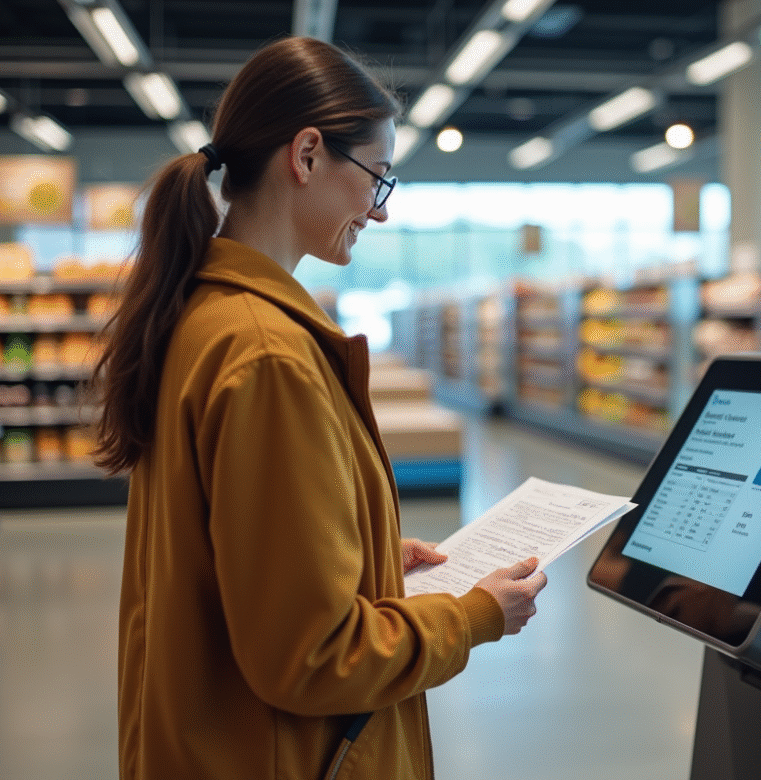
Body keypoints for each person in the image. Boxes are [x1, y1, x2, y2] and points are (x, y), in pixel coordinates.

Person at [91, 36, 547, 780]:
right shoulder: (269, 353)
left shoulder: (203, 316)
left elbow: (225, 557)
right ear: (306, 156)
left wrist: (357, 556)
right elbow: (310, 659)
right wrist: (473, 617)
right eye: (377, 178)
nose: (380, 212)